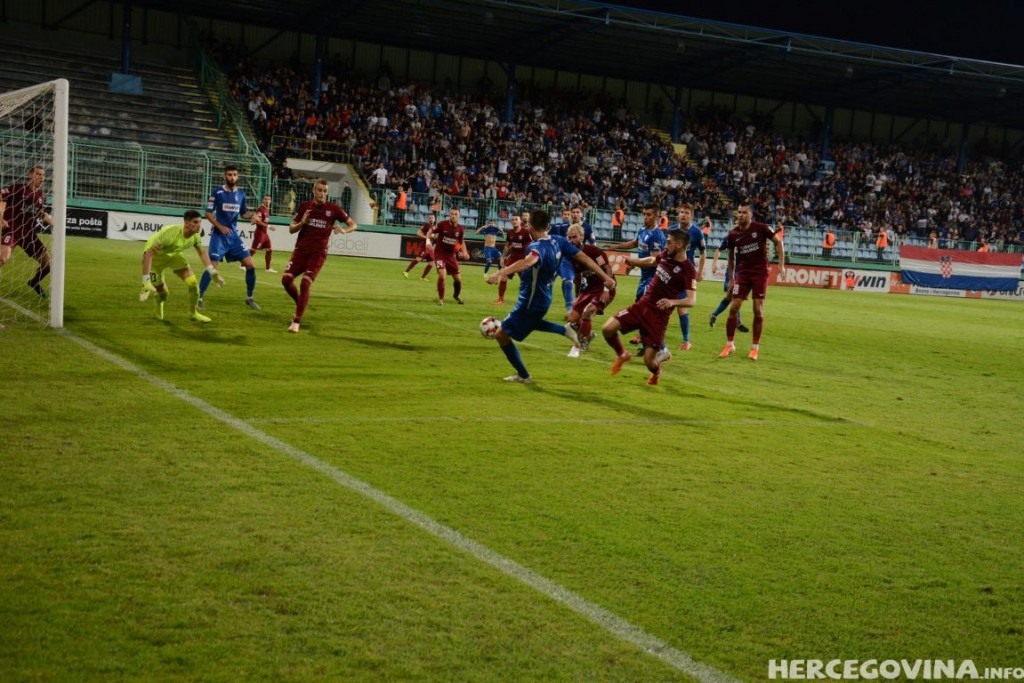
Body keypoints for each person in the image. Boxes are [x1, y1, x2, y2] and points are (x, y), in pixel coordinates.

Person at [484, 209, 615, 383]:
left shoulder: (537, 247)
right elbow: (584, 257)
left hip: (530, 300)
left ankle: (524, 375)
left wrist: (501, 272)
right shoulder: (559, 241)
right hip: (544, 298)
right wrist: (605, 277)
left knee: (501, 334)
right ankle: (565, 330)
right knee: (531, 322)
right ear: (547, 226)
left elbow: (527, 262)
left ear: (530, 226)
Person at [602, 228, 697, 385]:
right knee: (607, 329)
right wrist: (635, 262)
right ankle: (622, 354)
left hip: (658, 318)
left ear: (679, 245)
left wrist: (672, 302)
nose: (666, 245)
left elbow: (691, 300)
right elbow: (653, 261)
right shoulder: (666, 254)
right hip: (642, 306)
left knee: (649, 362)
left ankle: (657, 371)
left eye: (669, 242)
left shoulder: (688, 270)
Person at [282, 178, 357, 333]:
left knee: (304, 283)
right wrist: (302, 222)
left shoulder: (334, 209)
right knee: (286, 280)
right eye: (319, 190)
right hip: (300, 251)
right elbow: (291, 229)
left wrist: (344, 230)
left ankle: (296, 321)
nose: (322, 194)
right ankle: (300, 303)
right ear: (313, 191)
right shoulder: (305, 207)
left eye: (325, 191)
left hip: (318, 254)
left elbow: (353, 224)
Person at [718, 203, 786, 361]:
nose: (740, 215)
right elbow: (730, 258)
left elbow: (778, 242)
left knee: (757, 309)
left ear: (750, 215)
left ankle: (755, 348)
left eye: (744, 213)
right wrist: (731, 279)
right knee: (734, 307)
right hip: (743, 273)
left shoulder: (761, 228)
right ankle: (729, 344)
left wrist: (781, 265)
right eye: (739, 212)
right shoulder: (733, 234)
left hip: (759, 273)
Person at [139, 209, 223, 323]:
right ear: (187, 223)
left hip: (174, 255)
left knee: (193, 284)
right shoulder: (170, 235)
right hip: (156, 259)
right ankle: (159, 299)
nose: (198, 226)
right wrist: (145, 282)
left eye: (200, 222)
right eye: (195, 222)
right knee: (164, 294)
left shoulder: (195, 236)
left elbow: (202, 252)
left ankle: (193, 313)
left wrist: (212, 272)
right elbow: (148, 255)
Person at [603, 203, 667, 346]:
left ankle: (651, 340)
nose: (645, 217)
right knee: (641, 304)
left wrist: (634, 262)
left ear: (656, 216)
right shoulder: (643, 230)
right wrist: (616, 246)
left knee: (644, 306)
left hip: (654, 277)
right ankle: (647, 339)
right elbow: (634, 243)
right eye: (644, 214)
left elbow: (654, 260)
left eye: (649, 215)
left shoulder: (657, 235)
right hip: (645, 276)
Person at [200, 164, 260, 311]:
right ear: (224, 176)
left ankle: (249, 298)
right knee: (212, 266)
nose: (232, 177)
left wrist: (253, 215)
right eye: (229, 175)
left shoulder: (241, 195)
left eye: (234, 175)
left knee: (251, 265)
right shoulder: (217, 192)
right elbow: (208, 213)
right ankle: (199, 297)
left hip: (233, 237)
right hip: (219, 237)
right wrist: (220, 227)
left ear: (237, 177)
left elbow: (243, 213)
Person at [0, 165, 53, 297]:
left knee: (48, 265)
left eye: (43, 175)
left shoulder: (41, 196)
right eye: (38, 174)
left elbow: (39, 213)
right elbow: (1, 196)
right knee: (2, 258)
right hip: (12, 230)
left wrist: (51, 221)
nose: (41, 177)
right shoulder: (18, 189)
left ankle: (34, 282)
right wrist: (1, 218)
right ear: (30, 175)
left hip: (29, 234)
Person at [565, 223, 615, 358]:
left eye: (574, 237)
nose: (571, 241)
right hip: (589, 289)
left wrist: (606, 290)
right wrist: (577, 296)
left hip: (604, 288)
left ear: (581, 236)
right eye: (568, 238)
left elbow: (607, 269)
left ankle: (578, 346)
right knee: (571, 319)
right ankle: (588, 334)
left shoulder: (594, 251)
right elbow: (577, 276)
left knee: (588, 312)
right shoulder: (572, 255)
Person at [670, 205, 707, 351]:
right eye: (681, 212)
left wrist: (700, 271)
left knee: (681, 306)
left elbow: (703, 252)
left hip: (685, 273)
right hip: (671, 270)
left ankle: (686, 340)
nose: (683, 215)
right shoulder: (672, 229)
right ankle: (646, 334)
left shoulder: (697, 232)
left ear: (691, 215)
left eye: (686, 213)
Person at [708, 234, 748, 333]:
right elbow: (718, 250)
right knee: (734, 295)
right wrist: (714, 264)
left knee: (730, 297)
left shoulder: (748, 237)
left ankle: (714, 315)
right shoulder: (729, 237)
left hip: (742, 271)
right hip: (732, 271)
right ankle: (738, 323)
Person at [433, 206, 469, 305]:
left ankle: (456, 296)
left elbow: (461, 242)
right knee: (442, 274)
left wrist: (465, 252)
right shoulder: (442, 224)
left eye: (455, 214)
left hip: (451, 256)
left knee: (458, 279)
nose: (453, 216)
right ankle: (441, 299)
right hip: (440, 253)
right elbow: (432, 232)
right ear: (449, 214)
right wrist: (429, 240)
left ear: (459, 216)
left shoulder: (460, 229)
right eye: (452, 214)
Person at [495, 213, 531, 305]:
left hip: (523, 260)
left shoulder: (526, 232)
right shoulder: (510, 232)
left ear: (520, 221)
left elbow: (532, 244)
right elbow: (507, 245)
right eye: (513, 220)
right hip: (512, 258)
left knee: (525, 281)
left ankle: (526, 300)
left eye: (516, 219)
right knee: (504, 276)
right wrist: (503, 257)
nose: (514, 221)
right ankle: (500, 299)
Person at [548, 207, 575, 314]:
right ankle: (543, 307)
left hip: (568, 260)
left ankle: (570, 309)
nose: (567, 216)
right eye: (565, 214)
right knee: (547, 283)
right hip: (554, 259)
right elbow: (546, 237)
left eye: (568, 214)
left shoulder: (577, 228)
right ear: (562, 215)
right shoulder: (556, 226)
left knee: (568, 283)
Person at [247, 194, 277, 273]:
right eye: (266, 199)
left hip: (264, 233)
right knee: (253, 250)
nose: (267, 201)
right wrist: (269, 226)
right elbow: (257, 221)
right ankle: (243, 265)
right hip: (259, 233)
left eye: (269, 199)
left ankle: (268, 268)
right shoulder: (261, 209)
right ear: (263, 200)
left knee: (269, 250)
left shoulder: (266, 210)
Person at [403, 213, 436, 280]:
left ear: (434, 219)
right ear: (428, 219)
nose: (431, 219)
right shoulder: (426, 225)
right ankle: (406, 271)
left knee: (431, 263)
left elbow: (433, 237)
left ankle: (422, 277)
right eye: (430, 218)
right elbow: (418, 233)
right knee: (418, 259)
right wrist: (426, 237)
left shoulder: (434, 227)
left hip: (430, 247)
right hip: (424, 245)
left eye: (432, 218)